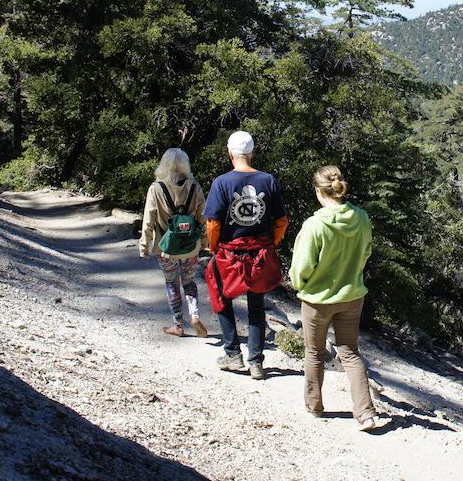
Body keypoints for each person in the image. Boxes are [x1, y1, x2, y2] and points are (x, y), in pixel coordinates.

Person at [290, 165, 386, 431]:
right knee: (350, 353)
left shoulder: (315, 225)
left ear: (319, 191)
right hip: (352, 296)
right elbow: (366, 252)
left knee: (314, 352)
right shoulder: (361, 218)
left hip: (317, 300)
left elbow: (301, 268)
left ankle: (314, 406)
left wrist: (301, 285)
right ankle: (366, 413)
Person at [203, 131, 288, 379]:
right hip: (260, 252)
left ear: (230, 153)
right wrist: (270, 243)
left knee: (220, 295)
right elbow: (281, 221)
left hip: (229, 252)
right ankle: (256, 362)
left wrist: (212, 246)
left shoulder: (222, 182)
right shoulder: (268, 180)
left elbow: (213, 223)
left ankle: (232, 354)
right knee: (256, 305)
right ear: (252, 153)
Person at [139, 148, 208, 338]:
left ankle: (178, 324)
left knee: (171, 282)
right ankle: (194, 314)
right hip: (190, 247)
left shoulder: (156, 188)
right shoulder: (194, 186)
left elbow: (149, 219)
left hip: (165, 247)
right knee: (189, 281)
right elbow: (203, 218)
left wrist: (144, 245)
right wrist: (204, 241)